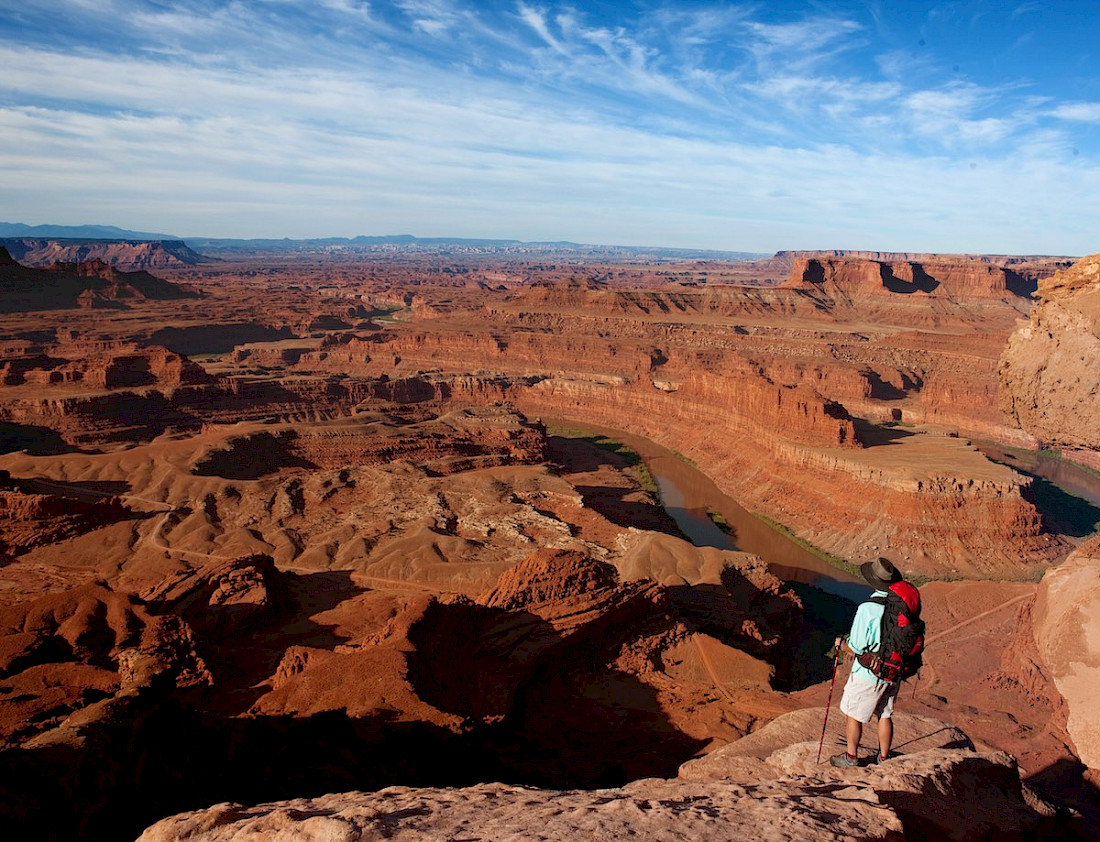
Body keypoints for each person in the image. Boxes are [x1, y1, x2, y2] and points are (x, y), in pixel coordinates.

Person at [830, 557, 904, 767]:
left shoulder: (867, 609)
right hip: (893, 670)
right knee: (885, 714)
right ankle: (884, 757)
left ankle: (851, 757)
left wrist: (841, 644)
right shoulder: (900, 606)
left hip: (868, 674)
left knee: (854, 714)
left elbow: (857, 646)